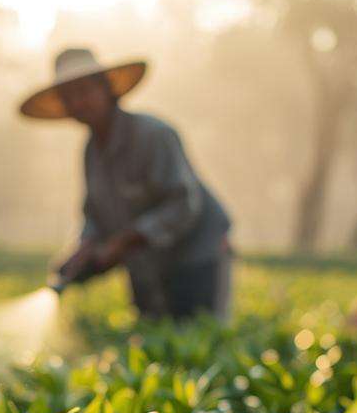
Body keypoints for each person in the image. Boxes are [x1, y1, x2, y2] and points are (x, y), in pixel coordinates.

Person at [22, 48, 234, 321]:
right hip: (147, 263)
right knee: (152, 334)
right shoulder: (91, 150)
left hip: (197, 255)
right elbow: (94, 214)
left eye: (84, 91)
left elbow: (183, 204)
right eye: (68, 97)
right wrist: (83, 248)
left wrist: (124, 241)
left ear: (107, 89)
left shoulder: (153, 135)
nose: (78, 102)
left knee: (199, 333)